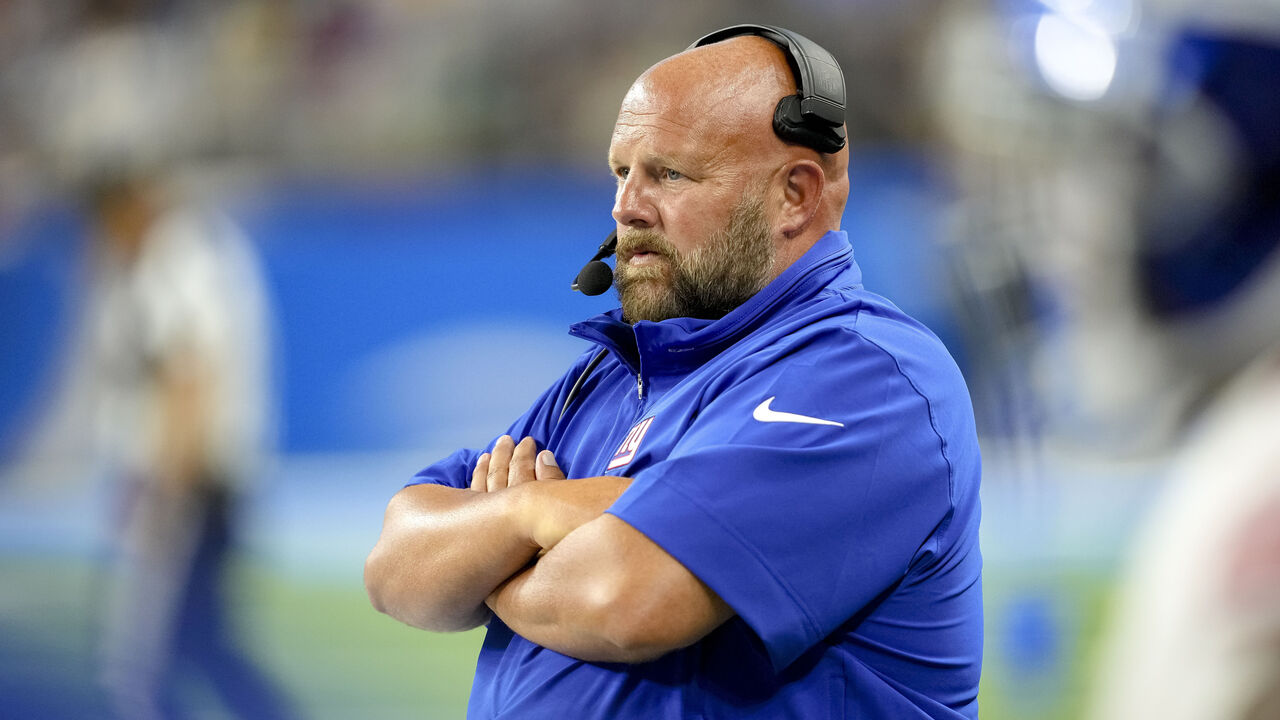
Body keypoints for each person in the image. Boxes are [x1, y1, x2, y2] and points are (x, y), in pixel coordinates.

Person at [365, 25, 982, 719]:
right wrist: (532, 509)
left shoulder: (869, 379)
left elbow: (624, 601)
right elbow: (395, 570)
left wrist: (491, 565)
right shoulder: (608, 376)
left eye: (668, 174)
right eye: (621, 172)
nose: (625, 208)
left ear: (797, 195)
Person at [84, 170, 295, 720]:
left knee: (152, 655)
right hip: (202, 479)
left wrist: (165, 487)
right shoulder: (195, 248)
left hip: (194, 481)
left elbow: (188, 379)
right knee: (199, 644)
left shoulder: (174, 257)